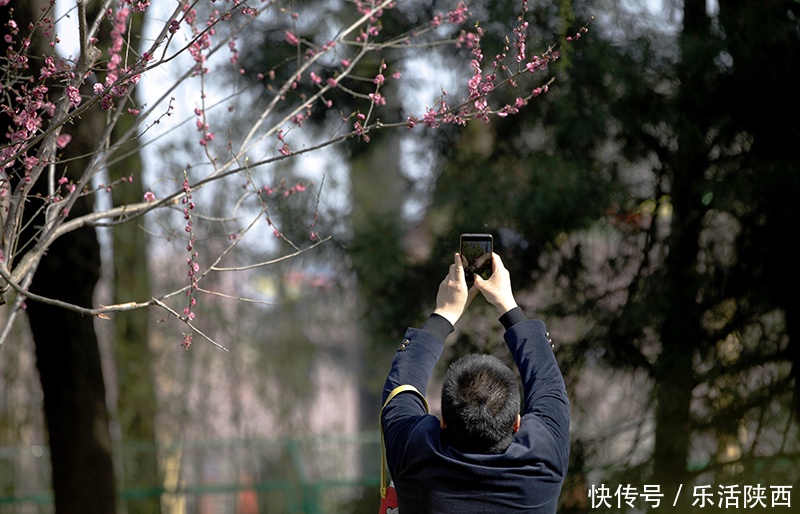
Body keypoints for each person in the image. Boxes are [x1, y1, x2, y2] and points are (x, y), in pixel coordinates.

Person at [381, 252, 570, 513]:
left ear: (443, 422)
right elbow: (548, 385)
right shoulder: (544, 462)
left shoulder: (413, 456)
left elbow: (401, 391)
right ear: (517, 422)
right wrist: (508, 306)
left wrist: (445, 312)